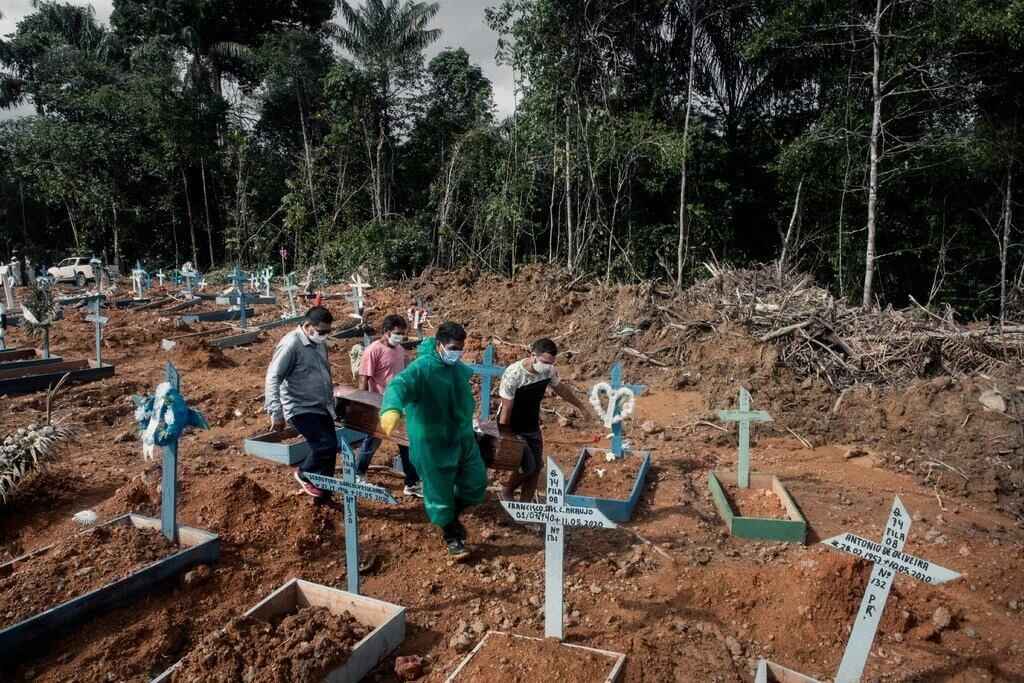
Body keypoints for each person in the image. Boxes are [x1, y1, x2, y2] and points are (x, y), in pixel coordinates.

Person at [378, 321, 487, 560]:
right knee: (439, 490)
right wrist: (391, 409)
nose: (456, 353)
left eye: (460, 348)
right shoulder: (422, 368)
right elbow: (399, 385)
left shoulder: (456, 368)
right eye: (452, 347)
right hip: (432, 443)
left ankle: (452, 515)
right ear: (439, 345)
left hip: (461, 437)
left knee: (476, 483)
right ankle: (450, 535)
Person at [498, 338, 592, 503]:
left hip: (531, 423)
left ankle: (526, 506)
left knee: (536, 468)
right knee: (528, 466)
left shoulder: (548, 371)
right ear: (533, 356)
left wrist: (581, 406)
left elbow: (560, 389)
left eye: (551, 363)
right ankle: (507, 491)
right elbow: (506, 407)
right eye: (545, 362)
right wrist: (504, 436)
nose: (548, 367)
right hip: (513, 426)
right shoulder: (514, 374)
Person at [264, 306, 339, 506]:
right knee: (325, 445)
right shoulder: (291, 344)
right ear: (307, 325)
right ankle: (305, 474)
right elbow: (273, 377)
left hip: (321, 406)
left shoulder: (319, 343)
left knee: (331, 450)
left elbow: (325, 372)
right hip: (299, 406)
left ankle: (323, 495)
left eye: (328, 332)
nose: (324, 336)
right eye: (321, 331)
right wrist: (275, 410)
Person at [355, 314, 422, 497]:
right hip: (380, 406)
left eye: (402, 333)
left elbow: (411, 368)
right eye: (397, 333)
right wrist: (364, 405)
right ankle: (358, 474)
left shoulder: (399, 349)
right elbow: (363, 379)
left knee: (406, 443)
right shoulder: (373, 350)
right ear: (386, 331)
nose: (400, 336)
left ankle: (411, 483)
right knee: (372, 442)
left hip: (400, 406)